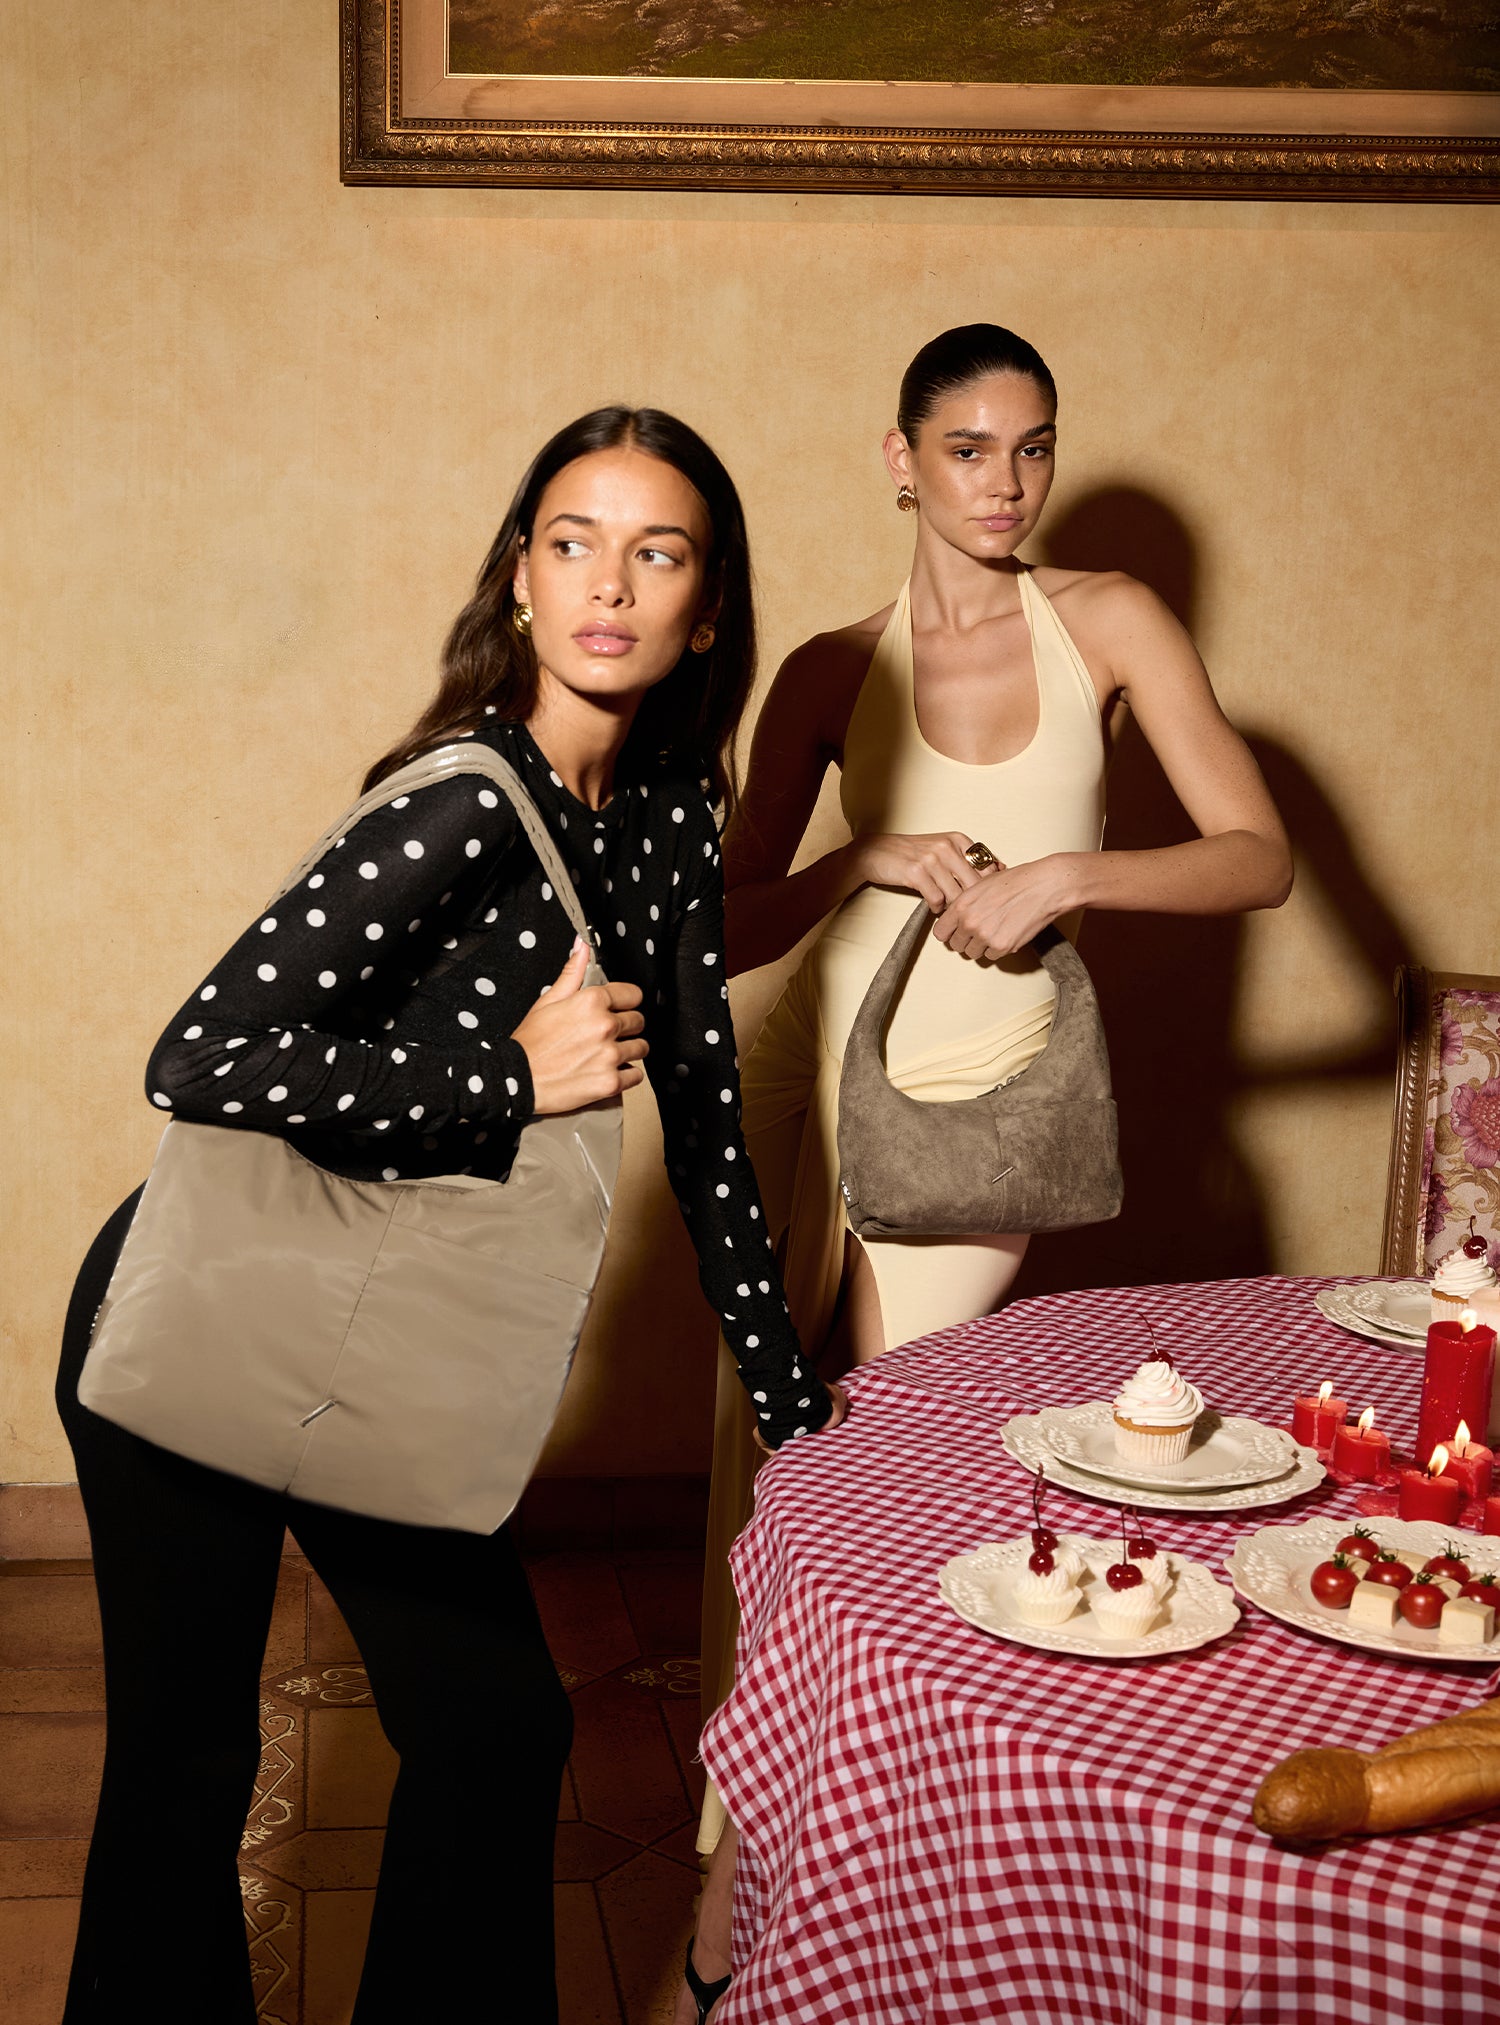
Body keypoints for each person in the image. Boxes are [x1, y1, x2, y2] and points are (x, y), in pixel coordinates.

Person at [55, 406, 847, 2024]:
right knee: (188, 1763)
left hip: (382, 1345)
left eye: (657, 552)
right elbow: (197, 1055)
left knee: (495, 1724)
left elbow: (705, 1116)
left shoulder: (668, 818)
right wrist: (507, 1075)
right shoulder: (466, 803)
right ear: (519, 577)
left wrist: (794, 1406)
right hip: (210, 1313)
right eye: (572, 541)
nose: (607, 583)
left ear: (709, 611)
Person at [676, 325, 1293, 2020]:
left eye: (1032, 447)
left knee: (880, 1459)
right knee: (772, 1451)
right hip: (810, 1079)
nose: (1005, 482)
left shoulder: (1111, 620)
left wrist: (1061, 877)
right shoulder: (827, 668)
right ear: (900, 460)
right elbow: (724, 924)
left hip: (984, 1100)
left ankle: (820, 1879)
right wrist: (864, 856)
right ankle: (748, 1854)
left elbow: (1258, 857)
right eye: (967, 449)